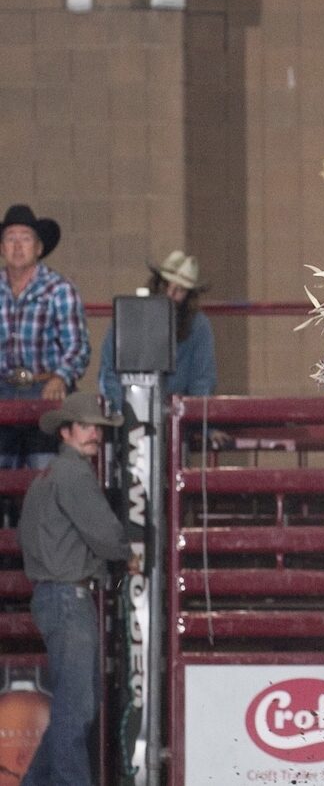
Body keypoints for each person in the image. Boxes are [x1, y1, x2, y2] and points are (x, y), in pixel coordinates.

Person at [16, 392, 139, 786]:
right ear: (67, 432)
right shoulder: (74, 474)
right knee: (78, 709)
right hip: (69, 597)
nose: (94, 435)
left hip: (53, 595)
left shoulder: (47, 478)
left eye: (96, 428)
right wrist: (125, 554)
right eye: (87, 427)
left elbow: (29, 536)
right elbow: (104, 533)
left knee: (75, 706)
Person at [0, 204, 90, 469]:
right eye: (10, 239)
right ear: (2, 247)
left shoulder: (59, 290)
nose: (17, 246)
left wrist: (61, 376)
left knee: (46, 471)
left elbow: (78, 346)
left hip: (45, 388)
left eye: (25, 239)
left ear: (39, 248)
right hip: (2, 388)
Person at [97, 250, 217, 413]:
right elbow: (108, 370)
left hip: (177, 417)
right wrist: (123, 411)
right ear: (157, 283)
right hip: (125, 410)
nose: (170, 294)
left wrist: (194, 420)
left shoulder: (198, 326)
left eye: (180, 290)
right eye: (167, 285)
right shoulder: (128, 316)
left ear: (189, 296)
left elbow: (202, 380)